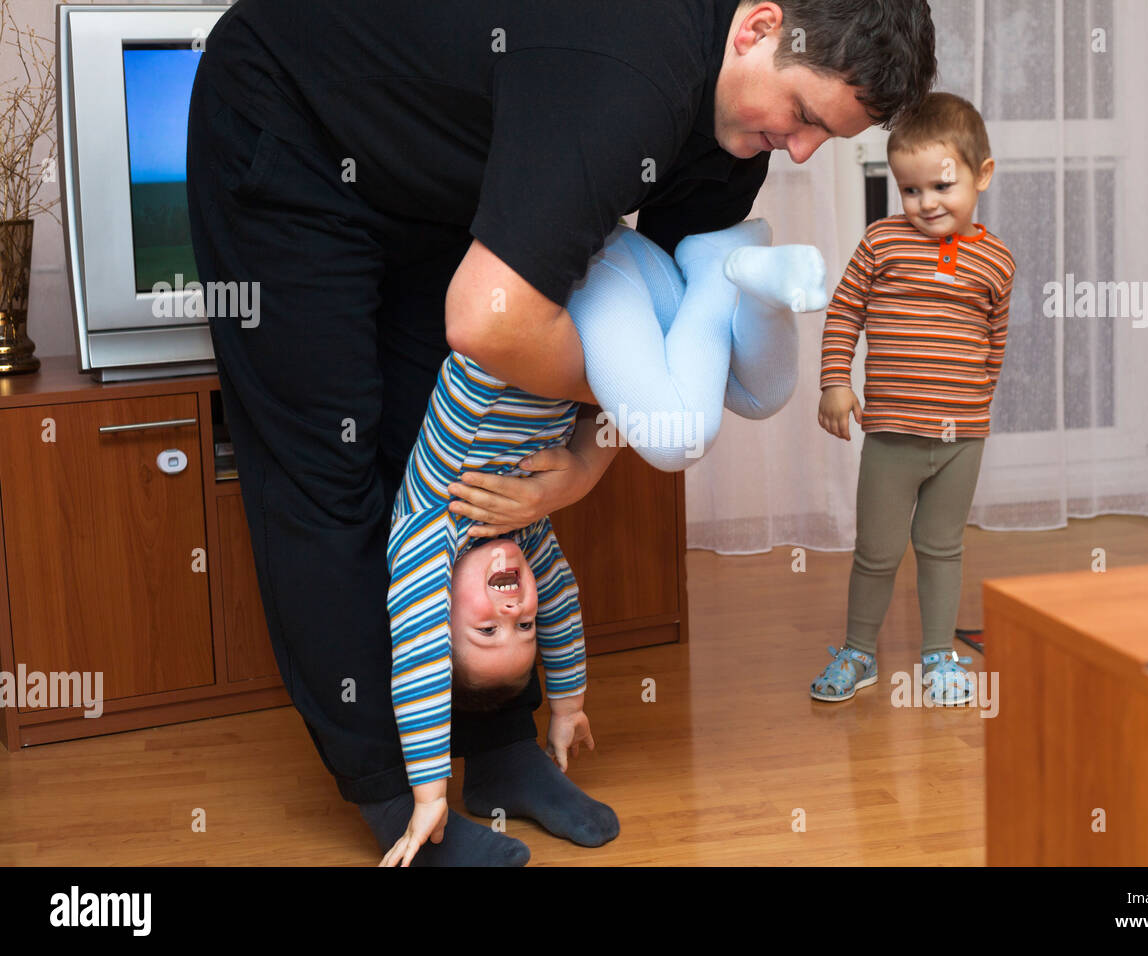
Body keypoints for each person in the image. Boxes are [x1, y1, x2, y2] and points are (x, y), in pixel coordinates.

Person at [186, 0, 937, 865]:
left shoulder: (737, 129)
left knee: (477, 466)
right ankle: (401, 808)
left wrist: (588, 458)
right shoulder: (626, 73)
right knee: (330, 472)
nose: (801, 150)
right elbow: (488, 325)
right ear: (758, 26)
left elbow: (643, 310)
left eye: (825, 139)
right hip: (293, 126)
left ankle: (503, 755)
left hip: (430, 164)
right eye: (803, 116)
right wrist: (634, 416)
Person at [379, 217, 829, 866]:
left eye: (487, 631)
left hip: (575, 275)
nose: (514, 612)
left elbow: (417, 664)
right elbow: (561, 605)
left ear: (436, 608)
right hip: (633, 289)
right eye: (522, 627)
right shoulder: (523, 531)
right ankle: (733, 276)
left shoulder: (428, 532)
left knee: (676, 434)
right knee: (759, 394)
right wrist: (566, 706)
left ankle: (722, 273)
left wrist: (428, 795)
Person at [813, 91, 1015, 706]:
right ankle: (858, 652)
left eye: (941, 186)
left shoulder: (997, 261)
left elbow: (994, 341)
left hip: (961, 440)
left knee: (942, 547)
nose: (925, 203)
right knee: (876, 551)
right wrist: (835, 382)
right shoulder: (882, 244)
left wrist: (977, 405)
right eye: (910, 189)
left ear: (981, 175)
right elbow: (844, 312)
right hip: (893, 436)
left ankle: (937, 656)